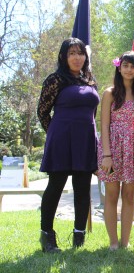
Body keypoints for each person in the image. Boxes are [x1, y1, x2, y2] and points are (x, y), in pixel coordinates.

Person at [37, 38, 99, 252]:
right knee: (55, 187)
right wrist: (55, 133)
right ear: (63, 56)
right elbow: (42, 112)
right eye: (71, 53)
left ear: (85, 56)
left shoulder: (90, 80)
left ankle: (79, 237)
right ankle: (47, 237)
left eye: (80, 53)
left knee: (83, 189)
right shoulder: (55, 79)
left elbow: (93, 114)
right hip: (61, 140)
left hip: (86, 141)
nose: (76, 57)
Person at [97, 51, 134, 250]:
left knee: (129, 196)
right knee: (111, 195)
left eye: (133, 66)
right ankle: (113, 243)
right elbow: (104, 126)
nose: (129, 70)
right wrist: (107, 155)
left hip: (133, 149)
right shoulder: (110, 93)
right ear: (119, 67)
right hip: (112, 148)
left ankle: (125, 242)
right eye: (125, 65)